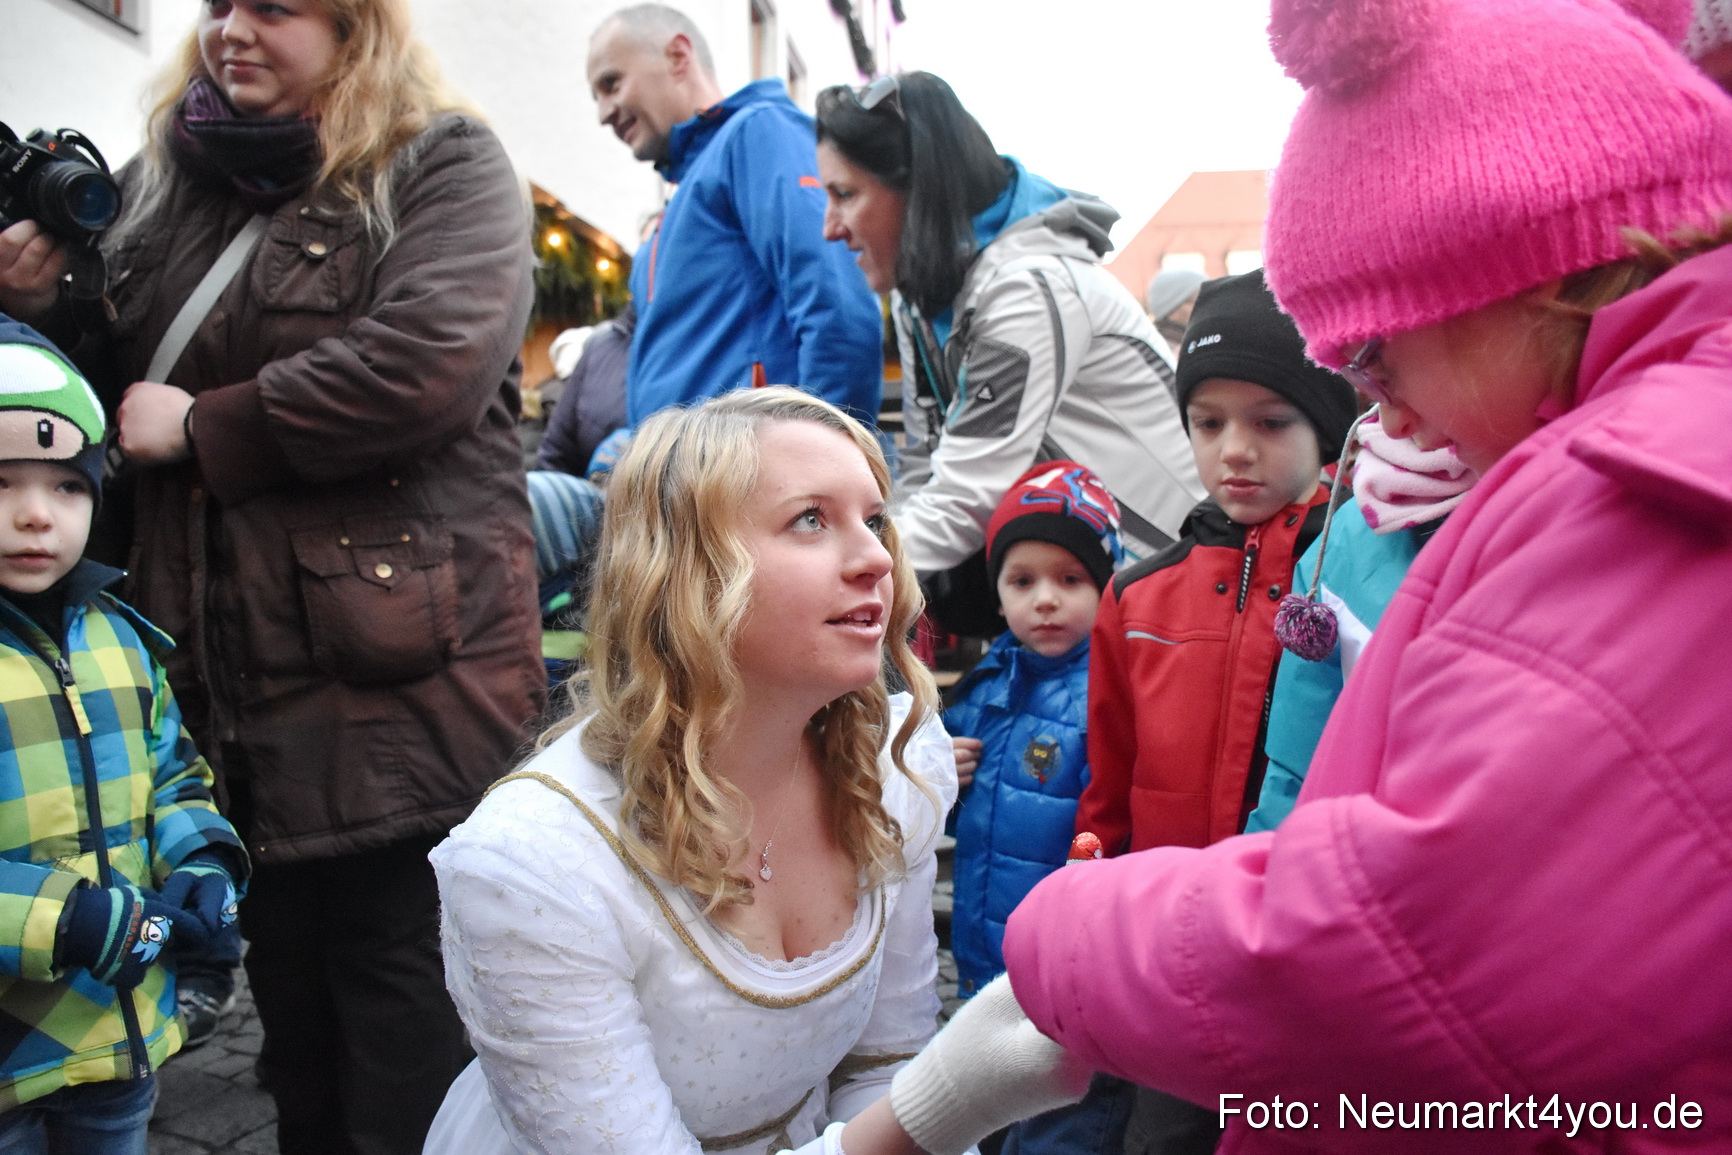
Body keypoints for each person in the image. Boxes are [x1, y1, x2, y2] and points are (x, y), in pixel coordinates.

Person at [1002, 0, 1732, 1149]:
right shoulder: (1638, 447)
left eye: (1374, 352)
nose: (1378, 406)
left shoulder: (1645, 481)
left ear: (1524, 267)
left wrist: (1058, 932)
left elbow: (1401, 954)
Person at [0, 1, 542, 1151]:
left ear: (357, 29)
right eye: (218, 6)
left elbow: (426, 363)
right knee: (293, 1031)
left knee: (406, 1043)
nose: (232, 29)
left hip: (402, 693)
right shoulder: (166, 177)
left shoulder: (441, 162)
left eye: (275, 8)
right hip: (223, 693)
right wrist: (43, 306)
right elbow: (101, 405)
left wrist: (208, 425)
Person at [427, 387, 959, 1154]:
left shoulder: (891, 763)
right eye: (811, 518)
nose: (877, 556)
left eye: (873, 519)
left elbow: (885, 1060)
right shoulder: (533, 866)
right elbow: (910, 1107)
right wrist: (958, 1095)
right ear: (690, 573)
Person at [1069, 267, 1354, 1153]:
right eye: (1208, 421)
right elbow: (1106, 788)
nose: (1236, 448)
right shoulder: (1137, 597)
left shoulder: (1353, 581)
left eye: (1271, 421)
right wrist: (1092, 907)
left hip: (1312, 969)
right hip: (1174, 961)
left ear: (1328, 426)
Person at [0, 320, 246, 1148]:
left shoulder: (117, 636)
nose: (37, 515)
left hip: (116, 1047)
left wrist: (201, 860)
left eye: (66, 487)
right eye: (2, 482)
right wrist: (66, 921)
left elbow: (172, 774)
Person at [813, 71, 1204, 591]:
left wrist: (825, 576)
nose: (830, 226)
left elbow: (964, 495)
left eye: (844, 194)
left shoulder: (1027, 289)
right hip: (1095, 592)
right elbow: (926, 464)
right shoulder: (923, 298)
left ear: (918, 190)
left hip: (1179, 583)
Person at [943, 461, 1133, 1155]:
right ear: (997, 593)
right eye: (1022, 581)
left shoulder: (1111, 688)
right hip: (983, 960)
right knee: (990, 1120)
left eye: (1070, 579)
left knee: (1064, 1126)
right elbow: (961, 820)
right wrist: (942, 773)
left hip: (1071, 978)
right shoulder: (990, 681)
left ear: (1107, 583)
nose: (1045, 600)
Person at [586, 5, 884, 426]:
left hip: (753, 480)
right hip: (694, 481)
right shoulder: (682, 200)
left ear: (677, 56)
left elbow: (839, 314)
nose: (602, 113)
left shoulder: (757, 133)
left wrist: (817, 474)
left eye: (611, 83)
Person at [1244, 414, 1475, 833]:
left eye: (1271, 423)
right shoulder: (1347, 537)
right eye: (1371, 372)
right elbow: (1296, 776)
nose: (1236, 452)